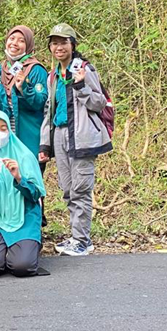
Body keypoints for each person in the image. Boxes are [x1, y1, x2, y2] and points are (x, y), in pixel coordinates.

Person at [38, 23, 112, 257]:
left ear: (72, 45)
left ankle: (82, 240)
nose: (58, 47)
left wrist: (80, 85)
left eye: (63, 42)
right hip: (60, 134)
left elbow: (98, 103)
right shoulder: (53, 76)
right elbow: (50, 109)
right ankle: (76, 236)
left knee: (81, 189)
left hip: (82, 135)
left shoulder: (84, 69)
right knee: (68, 189)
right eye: (54, 42)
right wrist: (45, 143)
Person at [0, 111, 46, 277]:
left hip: (24, 216)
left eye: (3, 128)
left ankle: (28, 245)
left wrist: (19, 178)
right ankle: (5, 250)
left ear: (10, 131)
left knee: (22, 266)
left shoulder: (24, 156)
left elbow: (35, 196)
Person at [0, 26, 48, 158]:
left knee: (28, 176)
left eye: (21, 41)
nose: (15, 43)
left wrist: (24, 88)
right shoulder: (1, 70)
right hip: (5, 135)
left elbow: (41, 102)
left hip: (29, 136)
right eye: (12, 38)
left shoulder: (35, 70)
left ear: (28, 45)